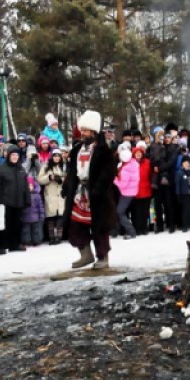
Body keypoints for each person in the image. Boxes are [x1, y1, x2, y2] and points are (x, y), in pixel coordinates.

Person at [63, 110, 116, 269]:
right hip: (79, 192)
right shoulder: (78, 148)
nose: (83, 133)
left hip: (97, 194)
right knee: (75, 224)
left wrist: (98, 190)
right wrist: (67, 186)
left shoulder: (103, 150)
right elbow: (72, 170)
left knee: (99, 227)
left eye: (86, 131)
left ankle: (102, 257)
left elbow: (108, 172)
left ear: (93, 131)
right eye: (82, 130)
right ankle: (85, 254)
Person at [0, 146, 29, 254]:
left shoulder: (21, 168)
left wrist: (27, 199)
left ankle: (15, 244)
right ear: (8, 155)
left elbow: (25, 185)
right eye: (13, 155)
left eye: (17, 155)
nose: (15, 157)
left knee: (17, 224)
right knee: (4, 225)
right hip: (5, 202)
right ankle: (1, 245)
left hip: (18, 201)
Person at [39, 149, 66, 244]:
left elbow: (68, 178)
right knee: (51, 217)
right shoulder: (46, 166)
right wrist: (49, 178)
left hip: (61, 194)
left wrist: (61, 179)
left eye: (59, 156)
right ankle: (51, 237)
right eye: (55, 156)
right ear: (52, 157)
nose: (57, 158)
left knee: (60, 217)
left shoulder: (64, 166)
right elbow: (40, 179)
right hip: (50, 194)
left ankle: (59, 237)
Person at [113, 142, 139, 239]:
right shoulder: (133, 163)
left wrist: (114, 179)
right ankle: (122, 230)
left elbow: (122, 185)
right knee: (121, 211)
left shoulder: (125, 170)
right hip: (132, 191)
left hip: (126, 193)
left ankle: (131, 231)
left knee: (119, 211)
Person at [21, 174, 45, 247]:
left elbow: (40, 206)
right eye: (28, 186)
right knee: (26, 231)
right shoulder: (23, 196)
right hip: (26, 217)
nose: (29, 187)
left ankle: (36, 241)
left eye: (31, 185)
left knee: (36, 230)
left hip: (36, 217)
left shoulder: (37, 195)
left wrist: (42, 216)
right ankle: (26, 241)